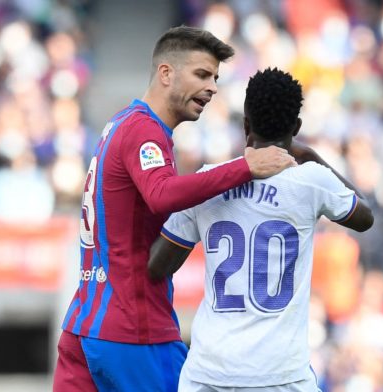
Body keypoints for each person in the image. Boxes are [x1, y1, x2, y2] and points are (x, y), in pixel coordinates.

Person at [52, 27, 297, 392]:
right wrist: (246, 165)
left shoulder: (120, 124)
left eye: (215, 77)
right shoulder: (144, 131)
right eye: (202, 74)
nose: (213, 87)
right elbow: (162, 194)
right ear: (166, 73)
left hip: (84, 328)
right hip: (133, 331)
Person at [147, 68, 374, 392]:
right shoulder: (312, 181)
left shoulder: (207, 180)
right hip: (282, 376)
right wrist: (311, 156)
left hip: (209, 375)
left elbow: (157, 266)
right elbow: (365, 216)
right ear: (295, 128)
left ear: (245, 126)